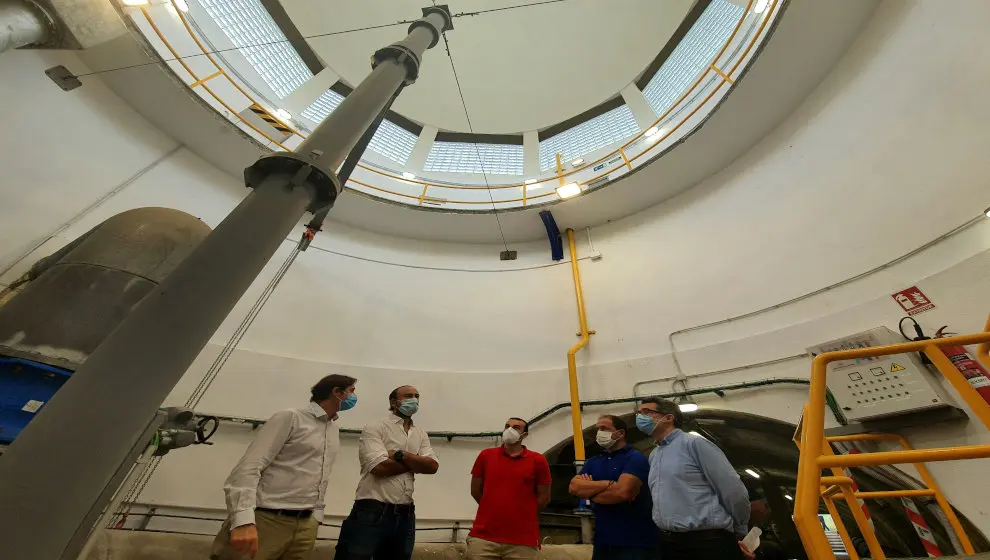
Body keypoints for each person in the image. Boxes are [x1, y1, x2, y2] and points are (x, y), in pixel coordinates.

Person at [211, 374, 357, 560]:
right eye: (351, 391)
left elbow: (321, 476)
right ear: (336, 392)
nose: (354, 397)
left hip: (305, 524)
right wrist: (242, 521)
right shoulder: (291, 418)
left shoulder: (333, 429)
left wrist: (316, 517)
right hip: (266, 519)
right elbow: (249, 467)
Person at [637, 397, 752, 560]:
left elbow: (733, 491)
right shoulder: (655, 455)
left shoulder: (695, 444)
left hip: (707, 543)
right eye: (639, 413)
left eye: (647, 412)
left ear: (668, 417)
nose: (640, 417)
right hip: (670, 543)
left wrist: (739, 531)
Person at [334, 385, 439, 560]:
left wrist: (401, 455)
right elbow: (379, 468)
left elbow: (433, 467)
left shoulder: (420, 433)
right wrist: (417, 462)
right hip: (371, 512)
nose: (414, 399)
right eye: (408, 396)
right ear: (393, 402)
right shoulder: (376, 427)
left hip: (406, 514)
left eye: (417, 396)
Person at [568, 415, 658, 560]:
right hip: (603, 542)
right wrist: (608, 484)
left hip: (636, 543)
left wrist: (590, 492)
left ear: (620, 433)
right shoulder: (594, 461)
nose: (599, 433)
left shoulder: (635, 458)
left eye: (604, 428)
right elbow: (574, 487)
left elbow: (623, 492)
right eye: (597, 429)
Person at [466, 417, 552, 560]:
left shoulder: (538, 460)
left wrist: (523, 513)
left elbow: (544, 497)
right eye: (507, 426)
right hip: (484, 538)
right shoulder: (486, 456)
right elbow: (475, 490)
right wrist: (492, 507)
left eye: (516, 427)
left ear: (524, 435)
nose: (509, 429)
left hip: (523, 541)